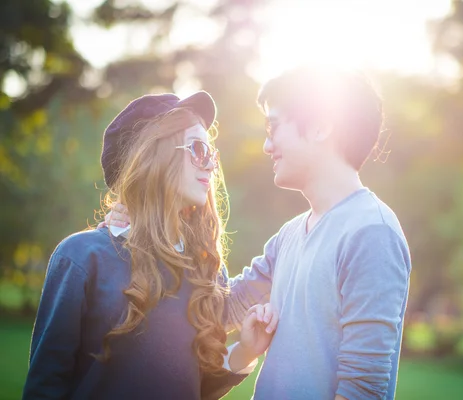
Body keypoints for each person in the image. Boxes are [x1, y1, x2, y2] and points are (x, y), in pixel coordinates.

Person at [108, 66, 412, 399]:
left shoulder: (371, 233)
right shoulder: (290, 235)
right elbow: (218, 311)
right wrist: (145, 229)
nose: (267, 145)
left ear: (321, 127)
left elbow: (363, 389)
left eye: (274, 127)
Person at [23, 91, 277, 400]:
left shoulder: (206, 270)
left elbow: (194, 386)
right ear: (154, 156)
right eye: (198, 149)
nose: (210, 165)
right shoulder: (81, 258)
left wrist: (247, 349)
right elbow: (45, 387)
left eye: (212, 154)